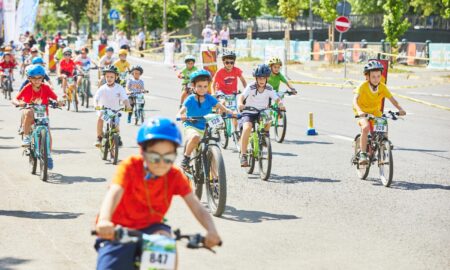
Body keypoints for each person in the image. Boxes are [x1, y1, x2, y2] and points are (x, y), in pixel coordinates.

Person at [94, 117, 222, 269]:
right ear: (143, 152)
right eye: (155, 157)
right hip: (117, 229)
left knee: (165, 243)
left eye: (168, 158)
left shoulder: (174, 175)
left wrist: (211, 230)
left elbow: (196, 205)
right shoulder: (130, 166)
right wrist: (104, 220)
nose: (162, 163)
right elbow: (115, 192)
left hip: (152, 227)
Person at [353, 60, 406, 165]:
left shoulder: (382, 87)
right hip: (362, 111)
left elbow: (393, 100)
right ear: (367, 77)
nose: (376, 79)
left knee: (383, 121)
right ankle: (363, 153)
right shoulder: (363, 86)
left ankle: (384, 142)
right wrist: (359, 111)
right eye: (373, 76)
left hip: (374, 110)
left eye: (378, 76)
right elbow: (354, 100)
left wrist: (400, 109)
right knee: (365, 127)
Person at [177, 69, 232, 170]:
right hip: (191, 125)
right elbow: (182, 110)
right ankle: (186, 158)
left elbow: (220, 106)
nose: (202, 89)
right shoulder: (190, 99)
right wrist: (181, 115)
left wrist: (229, 112)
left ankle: (215, 179)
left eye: (205, 86)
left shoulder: (209, 98)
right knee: (195, 137)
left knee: (213, 145)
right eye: (199, 86)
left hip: (206, 125)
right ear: (193, 86)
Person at [12, 65, 62, 169]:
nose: (37, 80)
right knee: (28, 112)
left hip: (43, 115)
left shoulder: (46, 87)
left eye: (39, 77)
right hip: (30, 113)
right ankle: (26, 137)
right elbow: (16, 99)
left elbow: (56, 97)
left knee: (48, 133)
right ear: (29, 78)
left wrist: (59, 102)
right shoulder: (27, 88)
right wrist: (19, 103)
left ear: (43, 77)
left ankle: (48, 155)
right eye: (34, 78)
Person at [238, 64, 285, 167]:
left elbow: (276, 98)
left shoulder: (269, 88)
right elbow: (242, 96)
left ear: (267, 78)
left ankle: (265, 135)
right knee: (247, 128)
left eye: (264, 78)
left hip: (262, 111)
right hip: (249, 111)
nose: (261, 80)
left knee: (269, 118)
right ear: (256, 78)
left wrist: (280, 104)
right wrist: (240, 104)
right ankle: (243, 155)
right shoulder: (251, 87)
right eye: (259, 77)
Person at [93, 65, 131, 147]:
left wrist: (128, 106)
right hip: (104, 109)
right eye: (107, 77)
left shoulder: (119, 88)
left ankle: (117, 137)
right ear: (105, 77)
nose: (109, 79)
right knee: (100, 118)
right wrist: (96, 105)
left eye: (111, 77)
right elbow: (96, 98)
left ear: (116, 77)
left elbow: (125, 99)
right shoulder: (102, 88)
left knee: (116, 126)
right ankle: (99, 137)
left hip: (115, 110)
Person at [212, 50, 247, 130]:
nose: (229, 64)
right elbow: (213, 83)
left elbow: (243, 81)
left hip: (232, 94)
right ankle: (219, 122)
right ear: (223, 62)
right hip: (221, 92)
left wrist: (246, 90)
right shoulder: (220, 72)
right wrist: (213, 92)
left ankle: (235, 130)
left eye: (232, 62)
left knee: (234, 112)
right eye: (227, 62)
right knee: (223, 102)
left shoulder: (236, 70)